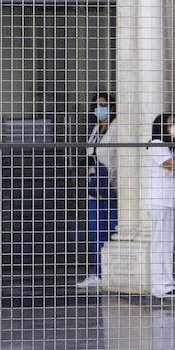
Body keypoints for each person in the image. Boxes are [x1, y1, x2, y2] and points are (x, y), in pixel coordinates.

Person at [143, 113, 175, 299]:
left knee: (168, 244)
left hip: (169, 201)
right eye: (171, 124)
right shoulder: (156, 145)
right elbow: (172, 165)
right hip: (160, 201)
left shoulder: (171, 148)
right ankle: (162, 286)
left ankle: (167, 283)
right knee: (161, 244)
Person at [76, 93, 117, 289]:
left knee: (113, 228)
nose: (99, 109)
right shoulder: (96, 130)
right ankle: (99, 272)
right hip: (95, 185)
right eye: (96, 105)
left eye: (103, 105)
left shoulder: (118, 128)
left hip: (112, 186)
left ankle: (114, 272)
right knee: (96, 231)